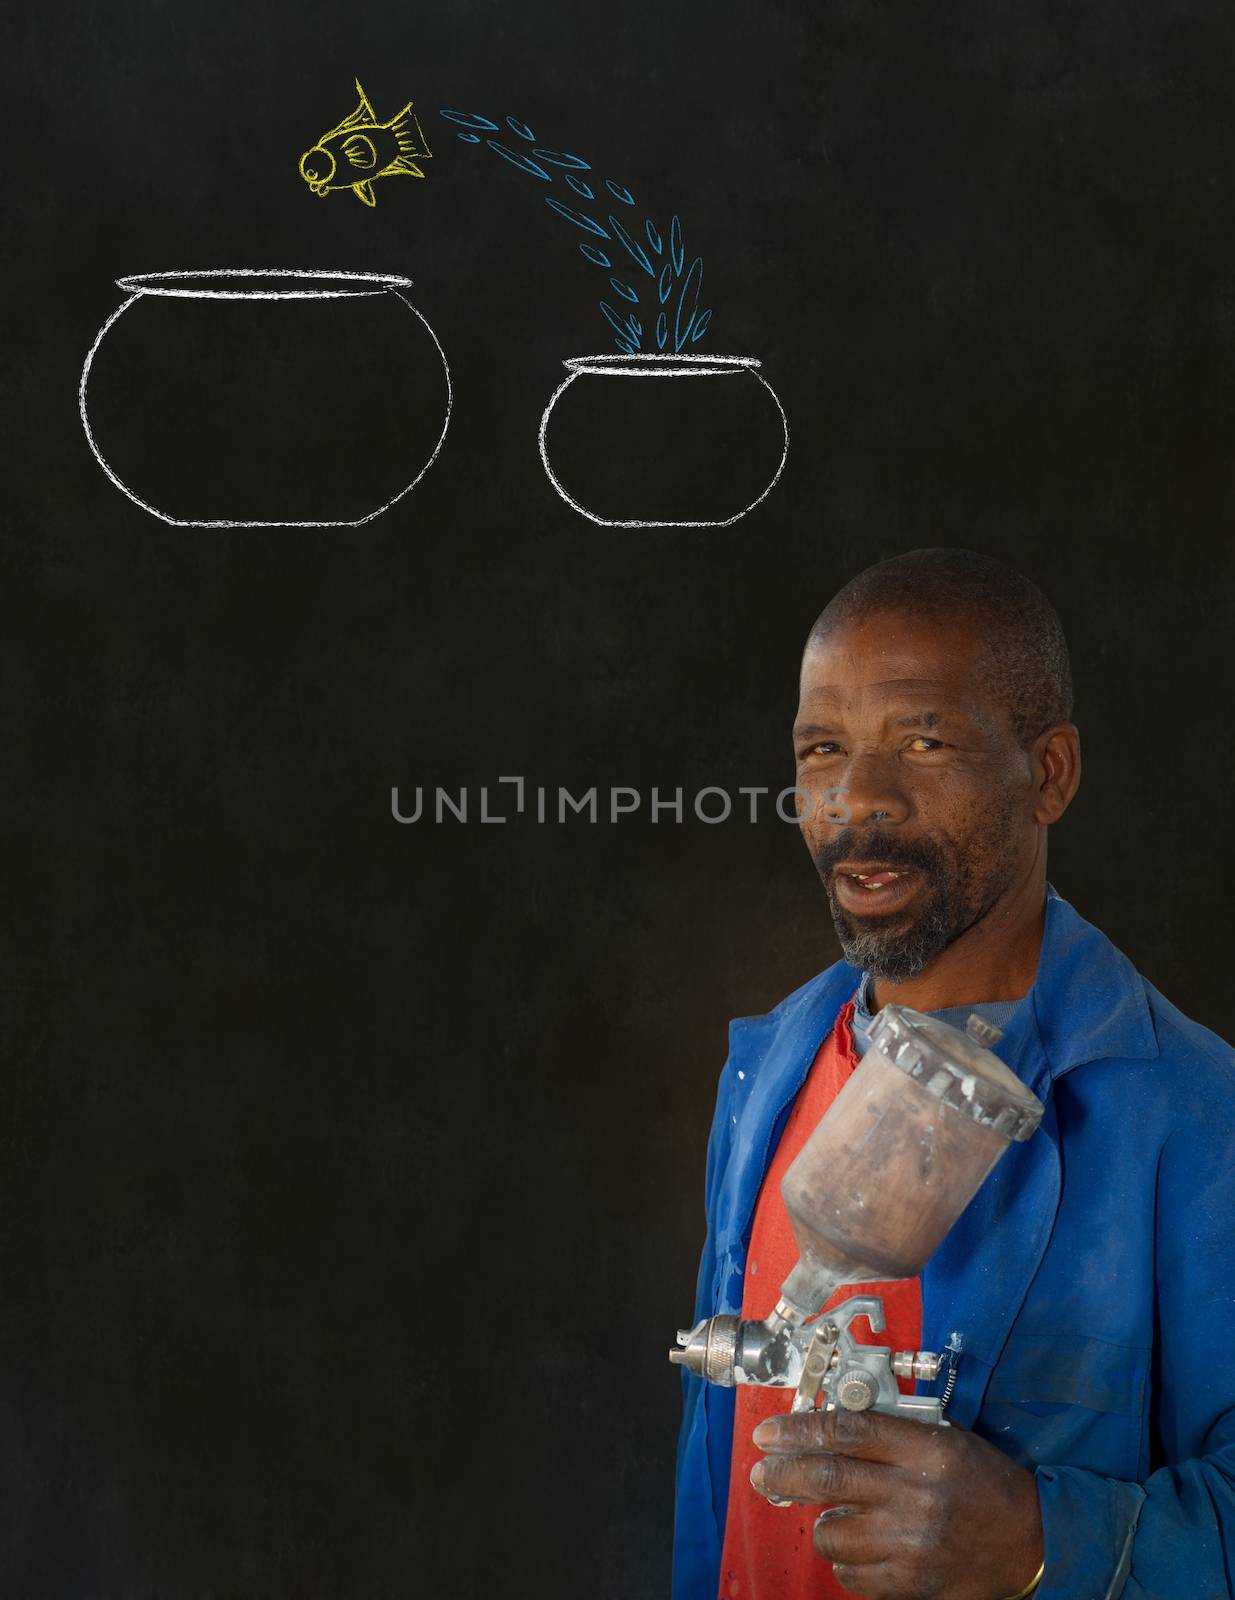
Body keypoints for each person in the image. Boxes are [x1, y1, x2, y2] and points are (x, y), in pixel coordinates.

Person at [672, 548, 1235, 1600]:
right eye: (820, 750)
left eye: (921, 741)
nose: (856, 802)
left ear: (1048, 775)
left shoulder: (1194, 1119)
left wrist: (1035, 1540)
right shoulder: (765, 1074)